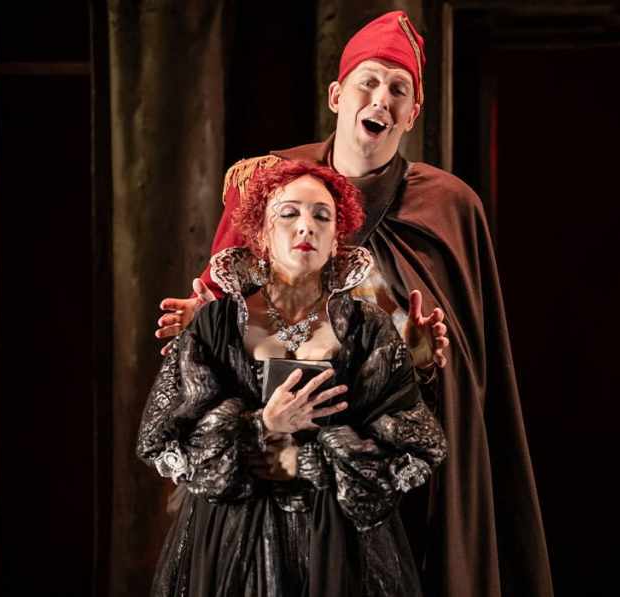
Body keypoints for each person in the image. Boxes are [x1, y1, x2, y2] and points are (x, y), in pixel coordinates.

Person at [154, 11, 553, 597]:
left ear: (413, 113)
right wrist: (210, 327)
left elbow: (453, 373)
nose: (381, 98)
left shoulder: (447, 208)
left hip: (375, 483)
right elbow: (220, 348)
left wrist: (424, 358)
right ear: (338, 95)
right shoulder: (271, 187)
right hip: (276, 487)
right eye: (368, 81)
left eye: (399, 89)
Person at [137, 160, 447, 596]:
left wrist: (314, 459)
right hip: (234, 541)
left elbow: (415, 442)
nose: (306, 226)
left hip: (336, 543)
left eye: (322, 216)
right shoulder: (217, 324)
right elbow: (165, 439)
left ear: (336, 239)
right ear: (262, 234)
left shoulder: (367, 328)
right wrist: (262, 425)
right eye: (289, 213)